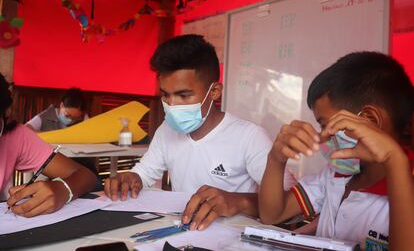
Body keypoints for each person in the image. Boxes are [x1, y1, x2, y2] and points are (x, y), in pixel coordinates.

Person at [104, 34, 273, 231]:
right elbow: (144, 173)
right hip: (183, 233)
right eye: (165, 95)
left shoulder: (250, 138)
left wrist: (236, 201)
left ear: (214, 92)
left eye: (184, 95)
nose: (172, 105)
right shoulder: (167, 131)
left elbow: (286, 202)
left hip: (231, 240)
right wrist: (131, 178)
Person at [259, 51, 414, 250]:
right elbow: (272, 214)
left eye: (325, 125)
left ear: (370, 120)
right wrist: (275, 160)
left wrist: (394, 160)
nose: (322, 136)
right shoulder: (337, 175)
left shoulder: (406, 184)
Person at [0, 74, 97, 217]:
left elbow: (87, 177)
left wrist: (63, 189)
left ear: (5, 114)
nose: (70, 120)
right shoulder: (46, 116)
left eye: (74, 118)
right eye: (68, 115)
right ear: (62, 106)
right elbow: (31, 127)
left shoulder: (14, 135)